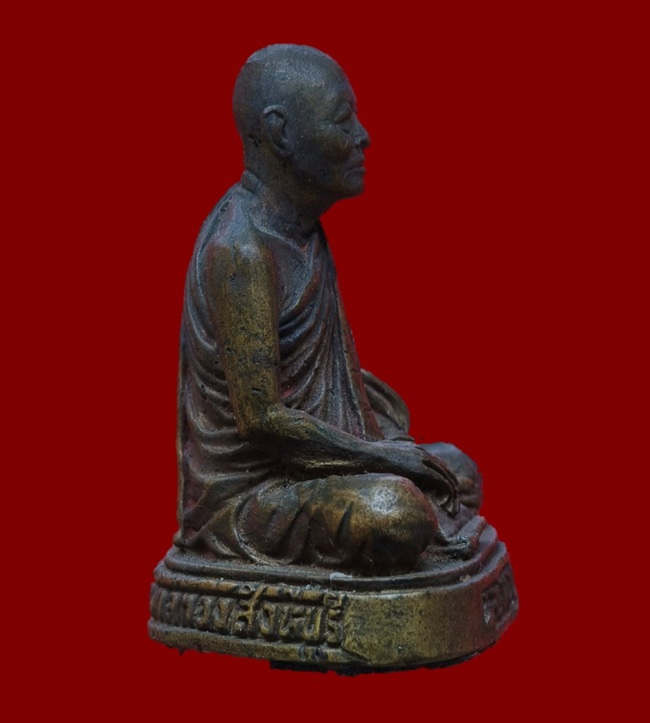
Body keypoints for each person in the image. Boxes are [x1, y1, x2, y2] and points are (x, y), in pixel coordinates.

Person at [175, 44, 481, 574]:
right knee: (396, 513)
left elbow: (327, 390)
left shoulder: (302, 231)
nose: (363, 137)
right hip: (255, 493)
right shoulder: (241, 251)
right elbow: (263, 421)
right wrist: (387, 459)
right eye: (342, 122)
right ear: (280, 135)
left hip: (318, 464)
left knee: (462, 472)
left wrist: (386, 444)